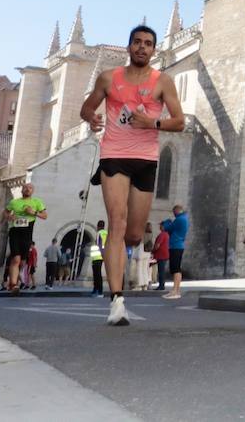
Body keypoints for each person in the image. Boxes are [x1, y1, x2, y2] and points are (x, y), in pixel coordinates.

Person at [80, 24, 185, 326]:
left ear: (154, 50)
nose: (142, 47)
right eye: (137, 42)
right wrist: (93, 118)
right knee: (117, 222)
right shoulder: (108, 78)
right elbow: (86, 109)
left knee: (135, 234)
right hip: (114, 156)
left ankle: (122, 261)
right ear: (129, 47)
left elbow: (178, 122)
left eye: (148, 44)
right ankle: (117, 300)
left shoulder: (162, 81)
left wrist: (152, 124)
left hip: (146, 159)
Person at [2, 182, 46, 294]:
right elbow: (5, 212)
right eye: (25, 188)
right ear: (21, 190)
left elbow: (45, 215)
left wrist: (33, 212)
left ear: (33, 191)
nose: (27, 189)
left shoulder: (37, 202)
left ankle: (15, 280)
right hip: (15, 232)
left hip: (27, 233)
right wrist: (9, 216)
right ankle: (13, 285)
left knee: (22, 262)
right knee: (16, 259)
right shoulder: (14, 202)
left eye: (30, 188)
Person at [160, 204, 189, 299]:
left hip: (175, 246)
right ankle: (176, 290)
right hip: (179, 245)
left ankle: (175, 291)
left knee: (175, 269)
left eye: (173, 213)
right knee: (177, 268)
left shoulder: (179, 220)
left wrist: (166, 222)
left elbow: (166, 228)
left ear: (176, 211)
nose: (173, 215)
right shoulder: (184, 219)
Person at [151, 223, 170, 291]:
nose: (160, 226)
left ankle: (161, 285)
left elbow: (157, 245)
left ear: (163, 227)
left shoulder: (162, 235)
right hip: (164, 255)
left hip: (161, 255)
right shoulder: (167, 234)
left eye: (161, 225)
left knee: (161, 271)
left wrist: (152, 251)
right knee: (162, 270)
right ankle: (162, 285)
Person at [90, 220, 106, 296]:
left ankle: (99, 290)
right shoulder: (106, 233)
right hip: (102, 255)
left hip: (97, 256)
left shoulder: (99, 233)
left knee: (96, 274)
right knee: (98, 274)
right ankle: (96, 289)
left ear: (98, 226)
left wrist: (101, 253)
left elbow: (99, 244)